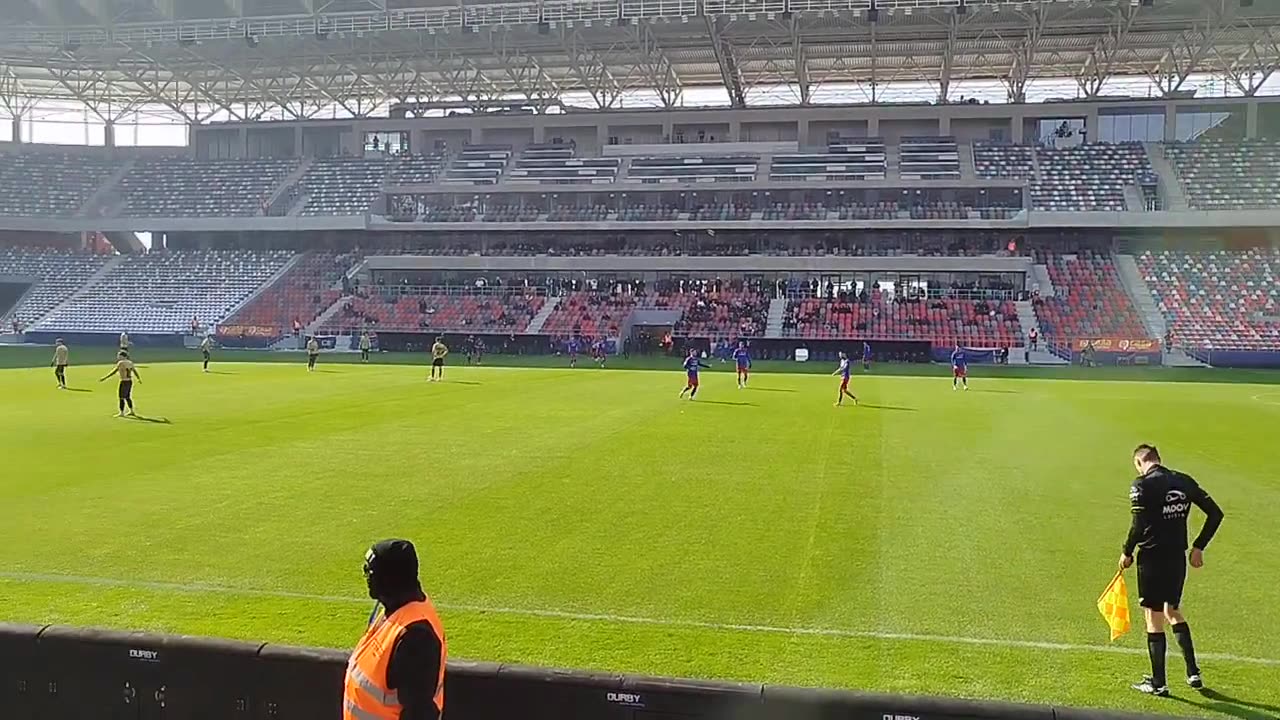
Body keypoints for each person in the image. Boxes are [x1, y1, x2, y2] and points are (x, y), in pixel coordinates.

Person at [1120, 444, 1224, 697]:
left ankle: (1159, 683)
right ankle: (1193, 672)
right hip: (1177, 557)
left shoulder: (1141, 485)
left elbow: (1138, 525)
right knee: (1172, 610)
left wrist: (1126, 551)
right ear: (1158, 459)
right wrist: (1198, 547)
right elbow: (1215, 513)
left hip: (1152, 559)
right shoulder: (1183, 481)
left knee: (1153, 617)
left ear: (1139, 462)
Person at [344, 539, 446, 720]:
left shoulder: (415, 637)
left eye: (371, 571)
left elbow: (420, 712)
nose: (367, 577)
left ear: (389, 578)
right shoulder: (395, 609)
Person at [99, 351, 140, 418]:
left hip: (123, 381)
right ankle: (132, 411)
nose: (118, 357)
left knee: (121, 397)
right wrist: (138, 378)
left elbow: (114, 371)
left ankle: (121, 412)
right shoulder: (130, 362)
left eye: (119, 355)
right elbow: (134, 371)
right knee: (127, 397)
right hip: (129, 381)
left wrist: (105, 377)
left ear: (123, 356)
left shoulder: (121, 363)